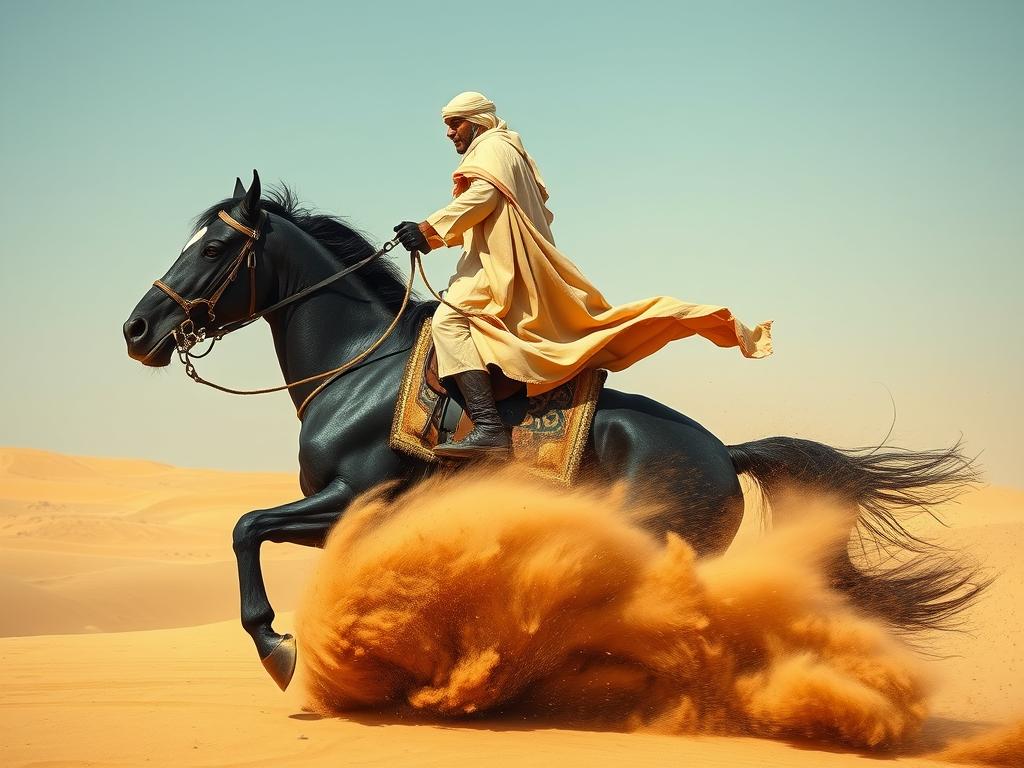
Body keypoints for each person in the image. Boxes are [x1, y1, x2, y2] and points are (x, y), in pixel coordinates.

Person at [395, 91, 772, 460]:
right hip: (489, 263)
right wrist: (432, 236)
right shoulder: (503, 149)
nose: (449, 133)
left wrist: (427, 230)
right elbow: (479, 215)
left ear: (476, 121)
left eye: (454, 123)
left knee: (448, 322)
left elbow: (483, 200)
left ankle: (490, 428)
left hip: (502, 272)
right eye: (446, 125)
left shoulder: (493, 147)